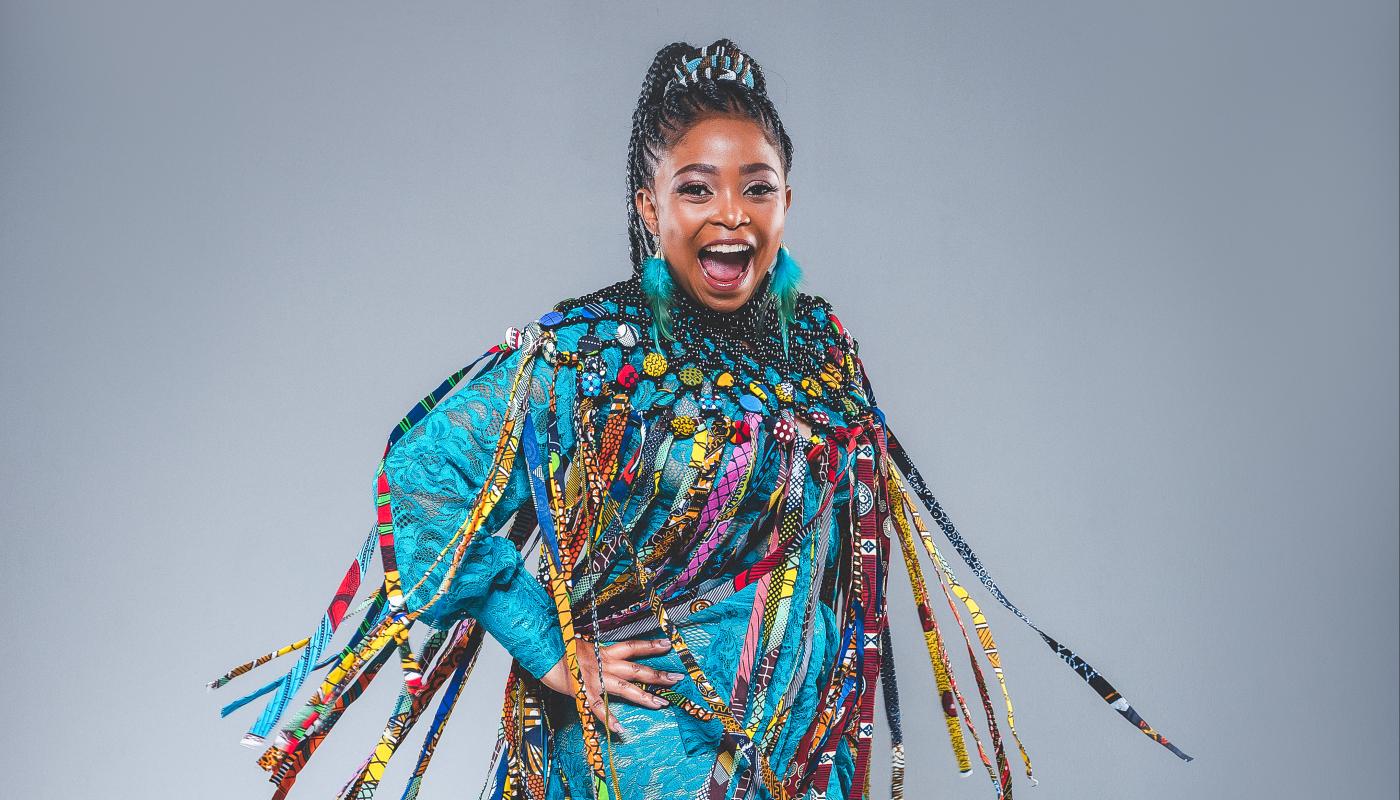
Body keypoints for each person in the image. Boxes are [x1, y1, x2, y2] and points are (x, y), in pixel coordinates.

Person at [211, 39, 1190, 800]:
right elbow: (421, 472)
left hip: (784, 762)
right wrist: (547, 648)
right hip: (631, 768)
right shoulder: (589, 353)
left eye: (754, 186)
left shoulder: (821, 345)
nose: (729, 213)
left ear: (785, 200)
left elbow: (842, 573)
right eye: (696, 187)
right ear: (649, 203)